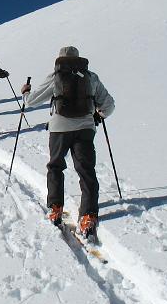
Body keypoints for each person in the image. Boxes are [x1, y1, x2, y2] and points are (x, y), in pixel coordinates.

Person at [20, 46, 115, 239]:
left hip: (59, 128)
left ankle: (56, 208)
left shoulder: (56, 75)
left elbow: (32, 101)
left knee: (55, 166)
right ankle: (88, 215)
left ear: (60, 59)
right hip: (86, 128)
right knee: (86, 169)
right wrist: (98, 115)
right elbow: (109, 105)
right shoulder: (90, 76)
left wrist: (25, 93)